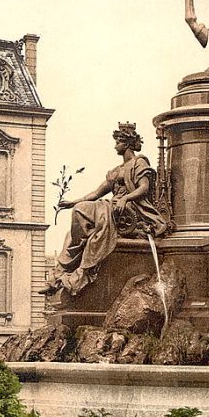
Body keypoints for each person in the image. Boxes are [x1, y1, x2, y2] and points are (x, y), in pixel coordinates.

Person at [40, 123, 167, 299]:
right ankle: (60, 275)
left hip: (130, 209)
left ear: (127, 144)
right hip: (113, 207)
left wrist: (125, 198)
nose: (115, 146)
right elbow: (95, 193)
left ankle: (78, 272)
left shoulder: (139, 162)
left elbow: (144, 188)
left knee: (86, 215)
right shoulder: (115, 171)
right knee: (77, 215)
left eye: (118, 142)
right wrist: (73, 202)